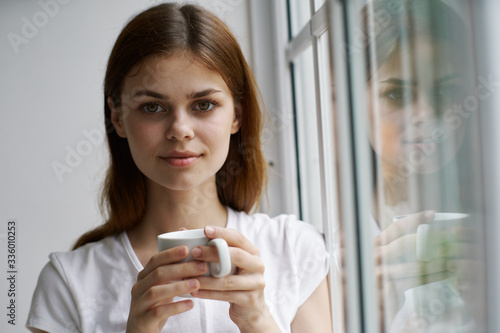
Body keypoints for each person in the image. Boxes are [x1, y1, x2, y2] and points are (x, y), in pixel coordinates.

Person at [26, 3, 331, 333]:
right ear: (118, 117)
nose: (180, 129)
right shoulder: (68, 283)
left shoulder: (297, 250)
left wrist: (258, 320)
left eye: (203, 105)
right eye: (153, 107)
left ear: (237, 114)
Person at [362, 0, 483, 331]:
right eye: (397, 94)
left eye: (446, 89)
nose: (425, 113)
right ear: (356, 101)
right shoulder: (324, 235)